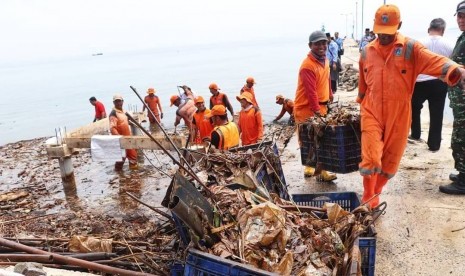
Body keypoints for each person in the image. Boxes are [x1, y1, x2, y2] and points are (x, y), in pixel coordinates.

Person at [357, 4, 465, 207]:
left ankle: (376, 192)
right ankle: (367, 196)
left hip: (399, 112)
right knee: (370, 158)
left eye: (388, 33)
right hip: (371, 110)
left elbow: (434, 61)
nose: (384, 37)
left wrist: (456, 71)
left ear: (399, 25)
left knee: (390, 162)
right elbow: (363, 83)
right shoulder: (366, 51)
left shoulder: (410, 48)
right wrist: (360, 101)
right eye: (380, 32)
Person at [294, 30, 336, 182]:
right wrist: (317, 111)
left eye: (323, 43)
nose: (321, 46)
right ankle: (312, 167)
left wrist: (330, 93)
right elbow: (310, 92)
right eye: (317, 43)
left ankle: (319, 170)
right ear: (310, 45)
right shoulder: (308, 66)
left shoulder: (324, 59)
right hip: (307, 108)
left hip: (321, 105)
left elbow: (327, 78)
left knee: (321, 140)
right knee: (309, 140)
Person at [409, 18, 453, 152]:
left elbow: (411, 63)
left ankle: (415, 134)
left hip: (420, 82)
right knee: (437, 113)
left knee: (414, 108)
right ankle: (434, 144)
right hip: (439, 82)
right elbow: (453, 66)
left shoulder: (419, 44)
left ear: (429, 29)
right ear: (443, 31)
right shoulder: (449, 45)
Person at [439, 1, 465, 195]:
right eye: (459, 16)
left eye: (464, 16)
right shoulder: (462, 38)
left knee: (461, 138)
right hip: (459, 100)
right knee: (458, 136)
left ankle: (463, 181)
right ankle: (462, 172)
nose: (461, 19)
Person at [109, 94, 138, 170]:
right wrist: (120, 138)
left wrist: (131, 123)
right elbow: (112, 128)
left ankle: (134, 176)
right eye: (116, 102)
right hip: (121, 140)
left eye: (119, 101)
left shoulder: (123, 112)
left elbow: (124, 122)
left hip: (128, 138)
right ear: (114, 103)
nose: (118, 103)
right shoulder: (113, 114)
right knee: (121, 159)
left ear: (122, 102)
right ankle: (118, 175)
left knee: (133, 157)